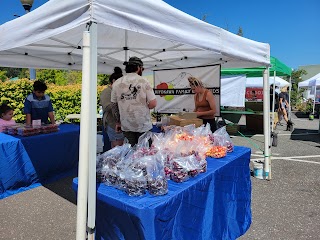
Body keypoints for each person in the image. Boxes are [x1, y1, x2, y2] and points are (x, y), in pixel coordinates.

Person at [111, 57, 157, 146]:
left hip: (126, 125)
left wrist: (117, 122)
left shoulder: (117, 83)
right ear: (138, 67)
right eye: (142, 68)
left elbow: (114, 105)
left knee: (130, 153)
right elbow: (153, 103)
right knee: (144, 152)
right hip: (142, 124)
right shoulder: (143, 81)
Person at [100, 67, 124, 148]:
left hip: (120, 124)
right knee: (117, 148)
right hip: (112, 123)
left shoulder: (118, 91)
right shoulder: (106, 92)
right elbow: (107, 107)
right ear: (114, 81)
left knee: (120, 148)